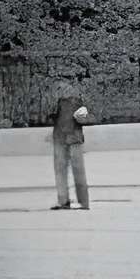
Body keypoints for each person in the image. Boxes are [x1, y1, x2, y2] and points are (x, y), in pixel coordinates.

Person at [48, 80, 93, 210]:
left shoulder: (79, 100)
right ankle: (68, 201)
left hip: (70, 138)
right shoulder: (58, 102)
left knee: (73, 171)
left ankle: (78, 202)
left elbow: (90, 116)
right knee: (64, 171)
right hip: (65, 138)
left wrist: (82, 118)